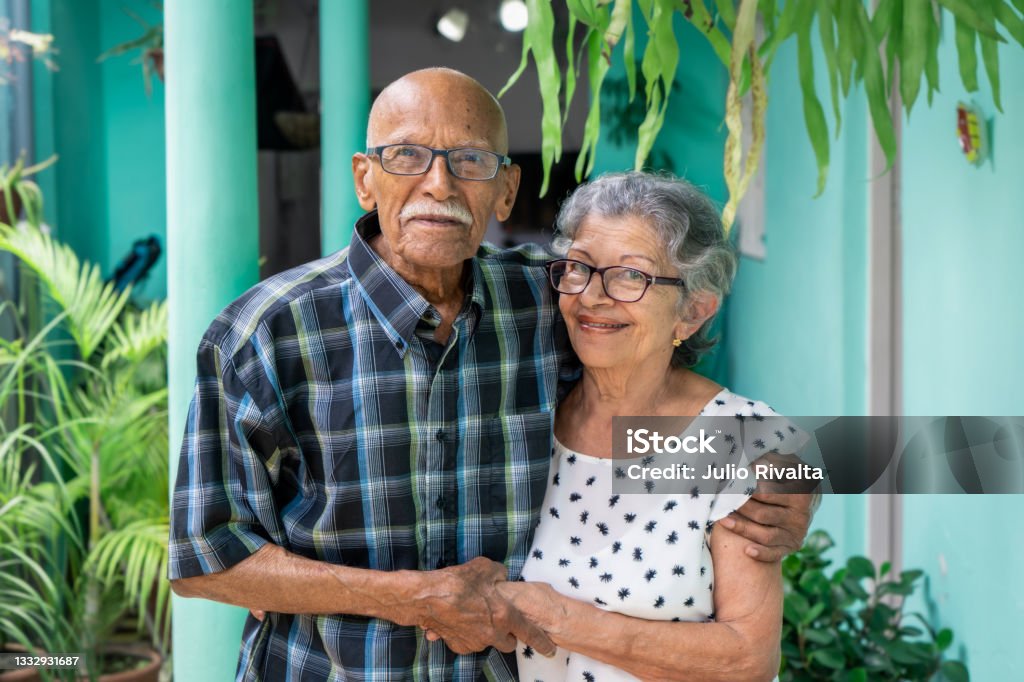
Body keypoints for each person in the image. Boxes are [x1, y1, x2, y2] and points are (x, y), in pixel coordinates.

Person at [168, 68, 813, 681]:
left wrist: (798, 477)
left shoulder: (554, 300)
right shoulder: (264, 335)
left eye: (471, 161)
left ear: (506, 189)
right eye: (406, 156)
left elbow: (712, 432)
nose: (440, 186)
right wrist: (416, 598)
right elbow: (205, 560)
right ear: (365, 179)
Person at [497, 171, 801, 681]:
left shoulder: (735, 439)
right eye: (580, 268)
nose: (593, 296)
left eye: (631, 276)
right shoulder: (528, 416)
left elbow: (748, 659)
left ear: (694, 313)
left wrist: (565, 621)